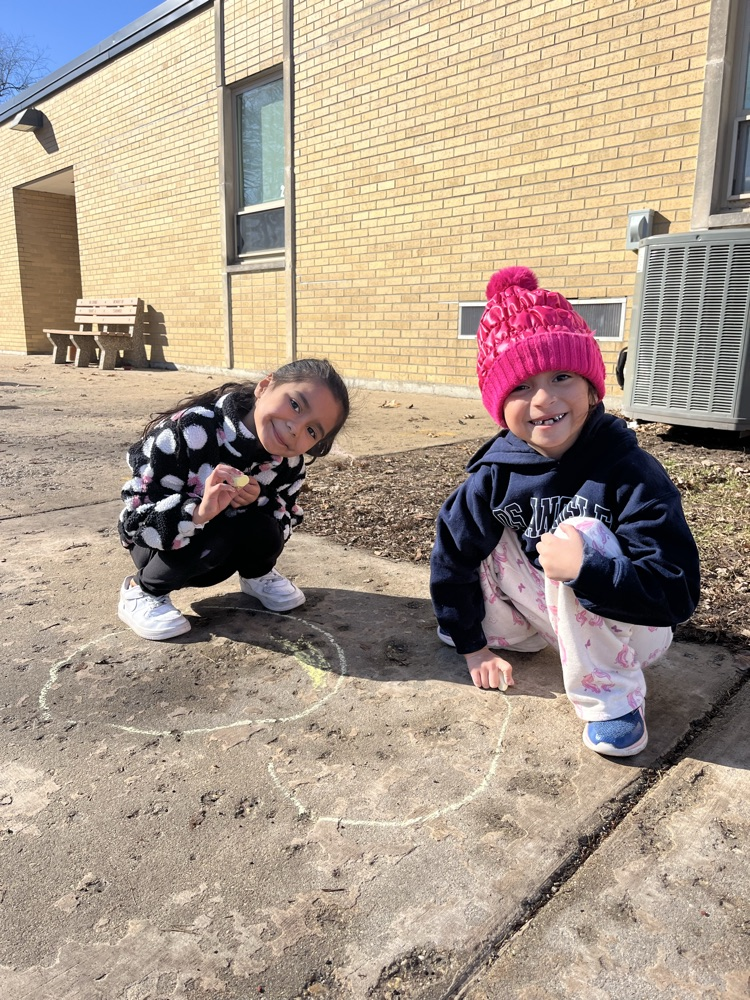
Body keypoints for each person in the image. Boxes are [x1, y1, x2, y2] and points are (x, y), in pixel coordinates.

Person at [430, 266, 700, 757]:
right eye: (520, 386)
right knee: (478, 529)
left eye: (561, 376)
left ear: (593, 387)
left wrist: (589, 568)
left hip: (633, 628)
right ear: (498, 405)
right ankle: (514, 635)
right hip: (549, 619)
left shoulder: (630, 469)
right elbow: (452, 553)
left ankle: (613, 700)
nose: (544, 399)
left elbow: (676, 591)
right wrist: (472, 644)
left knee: (579, 532)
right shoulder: (496, 473)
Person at [117, 358, 350, 641]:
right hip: (157, 549)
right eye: (295, 405)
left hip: (219, 556)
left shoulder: (289, 464)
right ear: (265, 386)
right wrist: (199, 511)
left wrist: (259, 499)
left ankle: (257, 576)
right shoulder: (188, 430)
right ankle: (142, 591)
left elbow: (288, 516)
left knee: (262, 526)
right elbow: (133, 520)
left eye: (312, 431)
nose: (295, 429)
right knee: (217, 529)